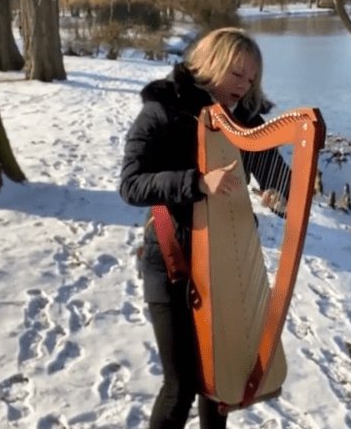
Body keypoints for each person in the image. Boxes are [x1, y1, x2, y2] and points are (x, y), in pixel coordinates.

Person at [119, 27, 290, 429]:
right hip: (170, 259)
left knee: (221, 388)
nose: (244, 86)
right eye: (237, 75)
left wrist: (277, 198)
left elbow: (279, 184)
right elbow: (130, 184)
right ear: (211, 64)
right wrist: (197, 182)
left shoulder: (246, 120)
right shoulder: (163, 109)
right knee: (179, 390)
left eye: (251, 79)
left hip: (224, 267)